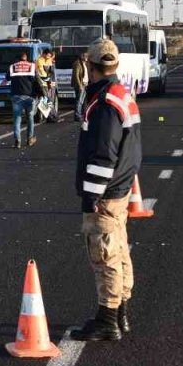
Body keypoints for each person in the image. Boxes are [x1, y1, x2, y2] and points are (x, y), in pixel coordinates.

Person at [72, 37, 143, 342]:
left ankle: (108, 319)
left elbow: (103, 155)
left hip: (107, 192)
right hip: (121, 187)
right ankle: (120, 312)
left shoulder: (104, 103)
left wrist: (92, 196)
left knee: (104, 255)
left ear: (91, 66)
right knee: (119, 250)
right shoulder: (122, 94)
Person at [9, 51, 42, 149]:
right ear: (26, 58)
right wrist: (42, 92)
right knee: (30, 118)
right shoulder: (31, 66)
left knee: (17, 119)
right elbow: (37, 80)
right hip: (29, 96)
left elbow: (7, 78)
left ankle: (17, 140)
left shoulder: (13, 67)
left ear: (18, 58)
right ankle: (30, 139)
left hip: (16, 96)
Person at [38, 49, 59, 122]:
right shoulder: (40, 61)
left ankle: (50, 116)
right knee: (48, 100)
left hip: (50, 83)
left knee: (49, 100)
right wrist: (48, 81)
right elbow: (42, 74)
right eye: (48, 56)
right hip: (44, 83)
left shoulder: (49, 60)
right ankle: (52, 116)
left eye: (50, 56)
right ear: (44, 54)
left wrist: (52, 83)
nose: (49, 57)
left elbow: (51, 73)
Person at [71, 51, 89, 123]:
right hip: (81, 84)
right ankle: (77, 115)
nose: (87, 57)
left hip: (85, 83)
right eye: (85, 56)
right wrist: (79, 85)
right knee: (79, 100)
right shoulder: (77, 63)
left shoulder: (85, 63)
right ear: (82, 56)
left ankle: (82, 114)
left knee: (83, 101)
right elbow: (76, 75)